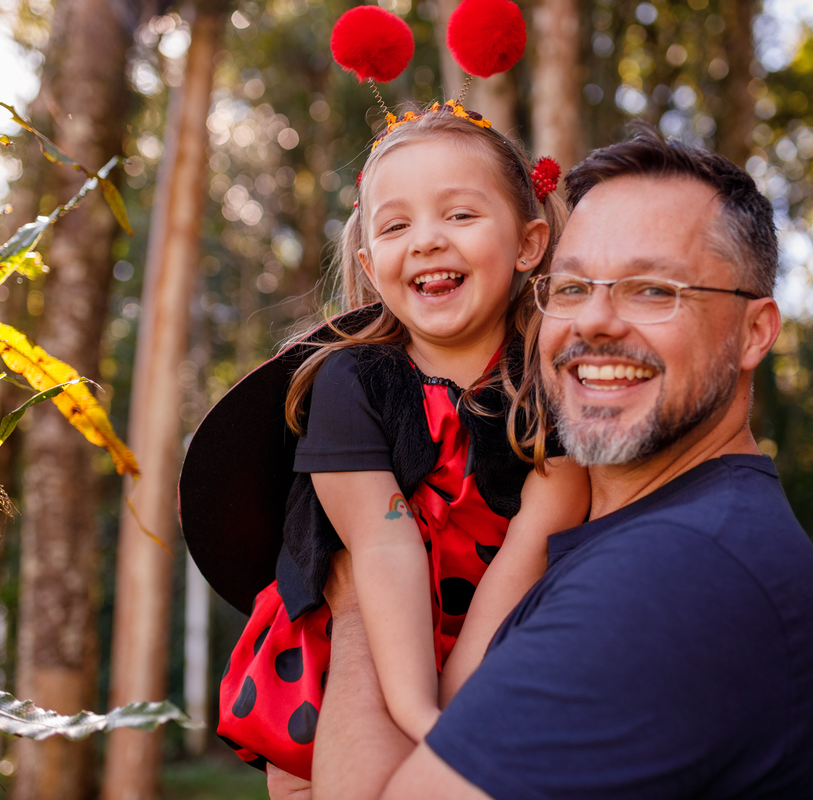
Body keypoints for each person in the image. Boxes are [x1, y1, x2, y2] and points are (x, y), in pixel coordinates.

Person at [307, 123, 813, 800]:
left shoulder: (675, 573)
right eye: (572, 287)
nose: (596, 322)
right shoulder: (628, 532)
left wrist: (352, 603)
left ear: (754, 332)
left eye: (652, 290)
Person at [216, 102, 590, 787]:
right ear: (369, 260)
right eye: (397, 225)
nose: (425, 240)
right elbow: (382, 543)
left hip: (492, 634)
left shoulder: (553, 388)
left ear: (529, 244)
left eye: (460, 215)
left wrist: (453, 711)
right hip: (348, 650)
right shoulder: (349, 381)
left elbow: (530, 546)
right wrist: (418, 709)